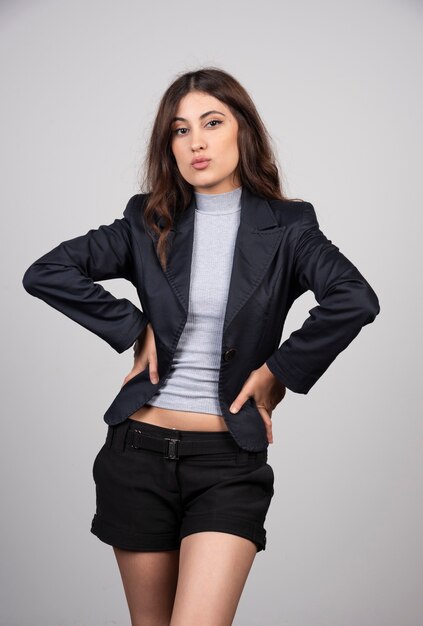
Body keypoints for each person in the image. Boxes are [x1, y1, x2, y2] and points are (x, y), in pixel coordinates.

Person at [22, 67, 380, 626]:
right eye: (180, 129)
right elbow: (47, 271)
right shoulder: (147, 220)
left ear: (243, 130)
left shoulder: (288, 226)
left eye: (212, 123)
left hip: (226, 463)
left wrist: (279, 369)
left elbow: (354, 298)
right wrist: (131, 328)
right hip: (136, 454)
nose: (197, 142)